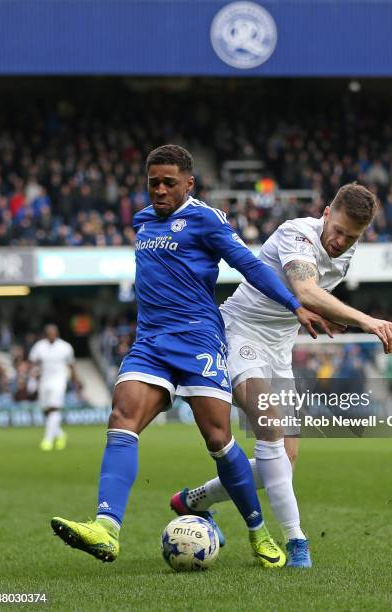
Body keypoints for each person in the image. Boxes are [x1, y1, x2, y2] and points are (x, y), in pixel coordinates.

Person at [50, 144, 329, 568]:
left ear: (189, 183)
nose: (159, 190)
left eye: (169, 182)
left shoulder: (207, 219)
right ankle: (106, 528)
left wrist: (295, 304)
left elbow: (250, 267)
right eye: (153, 183)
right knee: (122, 417)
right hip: (150, 342)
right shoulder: (142, 220)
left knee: (218, 438)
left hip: (198, 339)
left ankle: (258, 532)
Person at [171, 183, 392, 567]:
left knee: (282, 460)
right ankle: (296, 541)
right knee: (269, 426)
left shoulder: (349, 248)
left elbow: (313, 297)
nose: (341, 241)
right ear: (327, 213)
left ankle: (194, 500)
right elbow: (306, 289)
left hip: (278, 348)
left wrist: (330, 313)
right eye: (338, 229)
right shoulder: (298, 233)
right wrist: (366, 320)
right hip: (239, 332)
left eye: (352, 236)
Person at [29, 324, 79, 451]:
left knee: (54, 408)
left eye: (53, 332)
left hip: (59, 380)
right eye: (48, 332)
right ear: (45, 333)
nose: (50, 334)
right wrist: (32, 375)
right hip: (44, 380)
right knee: (45, 411)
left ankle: (48, 440)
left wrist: (75, 380)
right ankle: (60, 435)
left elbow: (72, 365)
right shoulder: (39, 346)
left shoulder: (65, 347)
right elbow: (32, 362)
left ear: (57, 333)